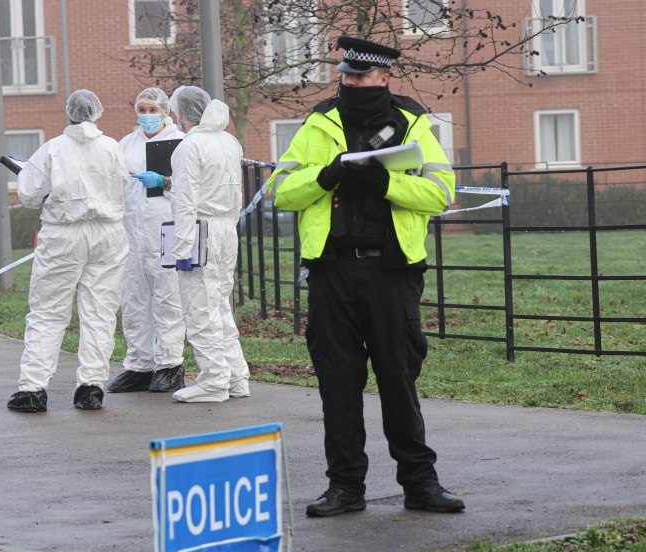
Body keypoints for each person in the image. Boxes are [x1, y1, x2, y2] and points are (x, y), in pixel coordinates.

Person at [268, 36, 465, 516]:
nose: (351, 83)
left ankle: (420, 484)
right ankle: (345, 487)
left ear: (384, 77)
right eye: (346, 76)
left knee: (398, 378)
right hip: (331, 270)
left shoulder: (414, 123)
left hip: (390, 270)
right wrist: (326, 176)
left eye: (360, 76)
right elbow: (280, 190)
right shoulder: (318, 122)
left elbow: (441, 193)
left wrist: (386, 182)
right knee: (337, 381)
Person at [7, 89, 129, 413]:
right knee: (100, 312)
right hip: (108, 234)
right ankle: (91, 388)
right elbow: (124, 188)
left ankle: (33, 389)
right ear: (97, 113)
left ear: (69, 113)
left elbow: (30, 195)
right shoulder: (112, 147)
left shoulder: (52, 150)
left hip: (63, 235)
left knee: (48, 312)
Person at [166, 86, 250, 403]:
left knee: (201, 307)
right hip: (227, 227)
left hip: (201, 229)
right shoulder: (229, 142)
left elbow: (185, 201)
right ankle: (236, 376)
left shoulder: (190, 146)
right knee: (219, 306)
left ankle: (214, 380)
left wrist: (183, 246)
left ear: (183, 113)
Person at [106, 87, 187, 394]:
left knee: (168, 296)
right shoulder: (125, 144)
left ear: (166, 112)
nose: (147, 115)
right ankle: (140, 365)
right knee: (134, 298)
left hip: (167, 228)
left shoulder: (181, 144)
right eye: (142, 109)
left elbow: (193, 187)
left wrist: (164, 183)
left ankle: (170, 364)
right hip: (131, 233)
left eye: (153, 110)